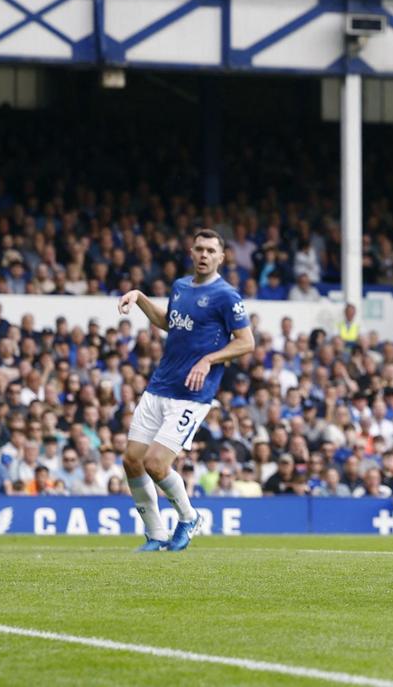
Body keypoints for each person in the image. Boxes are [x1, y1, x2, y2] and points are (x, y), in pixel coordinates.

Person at [117, 229, 255, 552]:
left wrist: (209, 359)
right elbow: (169, 322)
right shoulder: (180, 287)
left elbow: (247, 342)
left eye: (210, 250)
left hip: (192, 395)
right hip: (159, 386)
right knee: (131, 460)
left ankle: (188, 517)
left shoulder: (227, 296)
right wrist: (138, 297)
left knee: (155, 462)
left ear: (221, 257)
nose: (204, 255)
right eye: (199, 249)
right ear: (191, 253)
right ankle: (156, 534)